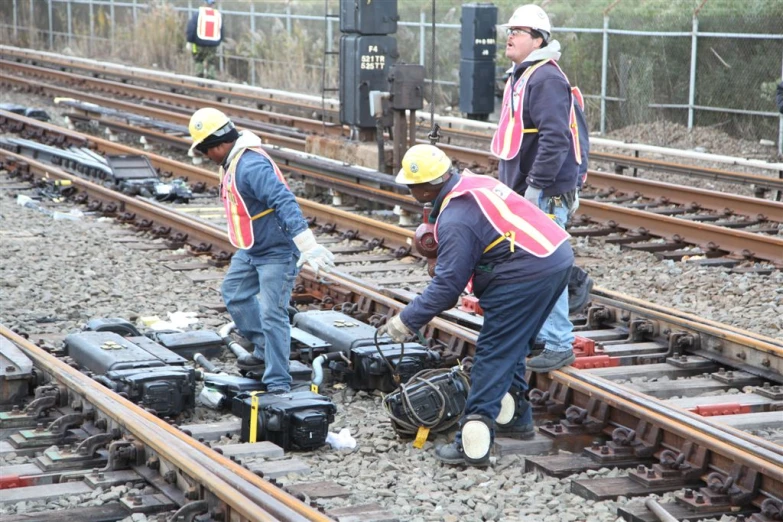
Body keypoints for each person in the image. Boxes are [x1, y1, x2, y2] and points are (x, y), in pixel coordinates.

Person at [377, 144, 574, 467]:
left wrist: (405, 321)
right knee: (513, 345)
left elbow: (446, 290)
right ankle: (517, 419)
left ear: (427, 187)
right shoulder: (473, 184)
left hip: (524, 275)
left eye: (411, 186)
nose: (410, 191)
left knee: (492, 354)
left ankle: (473, 445)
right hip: (554, 259)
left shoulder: (457, 219)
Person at [188, 107, 335, 393]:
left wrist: (307, 244)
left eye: (206, 152)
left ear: (218, 145)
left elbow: (284, 200)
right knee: (234, 292)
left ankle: (278, 381)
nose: (207, 158)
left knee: (272, 313)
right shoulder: (232, 162)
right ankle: (266, 348)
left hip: (276, 252)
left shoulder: (251, 166)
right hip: (253, 247)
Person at [491, 4, 585, 373]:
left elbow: (555, 137)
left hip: (543, 192)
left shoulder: (544, 78)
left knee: (546, 268)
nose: (509, 37)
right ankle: (547, 335)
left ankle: (560, 342)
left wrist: (535, 186)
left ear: (538, 39)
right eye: (509, 31)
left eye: (518, 31)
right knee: (535, 266)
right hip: (528, 190)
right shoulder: (522, 75)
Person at [186, 0, 223, 80]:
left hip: (199, 43)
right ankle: (211, 81)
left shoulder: (198, 14)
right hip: (213, 44)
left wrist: (189, 41)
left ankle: (200, 80)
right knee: (211, 62)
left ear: (204, 3)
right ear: (213, 4)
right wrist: (220, 42)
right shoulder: (217, 15)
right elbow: (221, 29)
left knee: (198, 60)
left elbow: (191, 28)